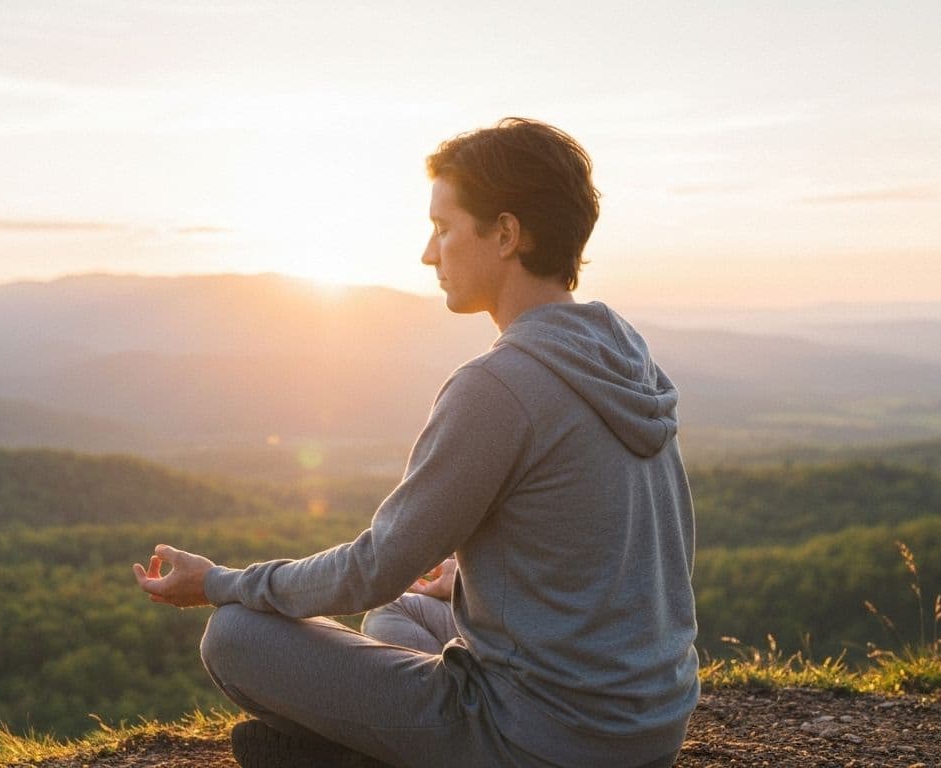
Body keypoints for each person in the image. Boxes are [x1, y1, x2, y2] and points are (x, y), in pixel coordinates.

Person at [133, 117, 698, 768]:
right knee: (403, 617)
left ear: (507, 234)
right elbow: (631, 548)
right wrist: (487, 577)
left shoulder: (499, 386)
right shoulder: (626, 359)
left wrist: (221, 582)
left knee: (234, 636)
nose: (430, 253)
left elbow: (372, 568)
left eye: (444, 228)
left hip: (542, 739)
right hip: (647, 726)